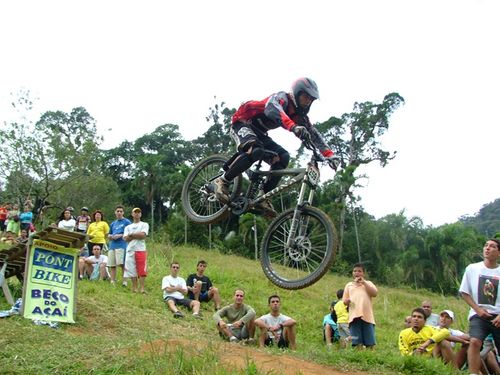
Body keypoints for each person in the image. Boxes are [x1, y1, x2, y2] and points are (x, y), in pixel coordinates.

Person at [212, 77, 339, 218]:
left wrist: (329, 155)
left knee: (283, 157)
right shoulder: (281, 98)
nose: (308, 101)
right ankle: (222, 181)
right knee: (255, 150)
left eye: (311, 99)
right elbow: (273, 111)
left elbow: (313, 135)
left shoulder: (298, 115)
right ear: (297, 93)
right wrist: (293, 127)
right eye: (305, 96)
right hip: (242, 123)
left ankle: (263, 196)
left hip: (260, 134)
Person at [459, 238, 500, 375]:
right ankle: (473, 373)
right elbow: (464, 292)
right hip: (478, 314)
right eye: (486, 245)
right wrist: (478, 310)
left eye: (492, 246)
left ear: (499, 252)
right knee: (475, 341)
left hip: (499, 315)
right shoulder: (472, 268)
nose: (487, 248)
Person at [343, 263, 378, 349]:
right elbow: (344, 301)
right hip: (354, 316)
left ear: (363, 273)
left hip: (367, 316)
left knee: (370, 342)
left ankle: (370, 358)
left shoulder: (368, 283)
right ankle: (358, 357)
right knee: (357, 342)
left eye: (359, 271)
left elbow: (374, 293)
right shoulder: (349, 285)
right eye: (355, 271)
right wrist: (347, 301)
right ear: (352, 273)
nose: (357, 273)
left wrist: (364, 283)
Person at [123, 207, 149, 294]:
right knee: (131, 270)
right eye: (135, 212)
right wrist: (134, 235)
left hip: (140, 249)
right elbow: (126, 239)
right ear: (132, 214)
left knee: (142, 270)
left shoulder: (144, 224)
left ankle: (142, 288)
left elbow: (143, 235)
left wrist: (131, 235)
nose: (137, 214)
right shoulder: (128, 227)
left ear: (140, 214)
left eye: (138, 212)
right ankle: (134, 287)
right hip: (130, 250)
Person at [108, 205, 131, 286]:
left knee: (122, 264)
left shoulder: (126, 222)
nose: (119, 213)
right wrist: (110, 236)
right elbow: (109, 234)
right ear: (115, 212)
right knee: (112, 264)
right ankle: (112, 281)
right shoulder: (113, 223)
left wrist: (120, 235)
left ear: (123, 212)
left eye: (121, 211)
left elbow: (129, 233)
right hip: (112, 246)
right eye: (117, 211)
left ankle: (125, 281)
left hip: (121, 245)